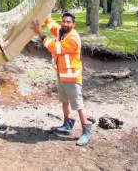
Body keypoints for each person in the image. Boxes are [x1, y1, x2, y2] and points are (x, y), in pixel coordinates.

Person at [30, 12, 92, 146]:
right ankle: (67, 125)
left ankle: (86, 131)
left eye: (68, 22)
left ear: (73, 24)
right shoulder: (61, 31)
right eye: (63, 21)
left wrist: (39, 33)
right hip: (61, 75)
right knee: (64, 101)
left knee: (78, 105)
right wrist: (44, 13)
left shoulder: (73, 38)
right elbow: (51, 23)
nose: (65, 23)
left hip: (72, 77)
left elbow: (54, 48)